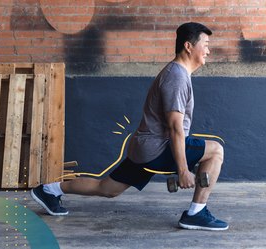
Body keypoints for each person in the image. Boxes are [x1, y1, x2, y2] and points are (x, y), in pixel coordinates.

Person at [31, 22, 228, 231]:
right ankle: (195, 213)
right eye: (205, 44)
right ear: (189, 46)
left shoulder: (177, 73)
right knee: (216, 150)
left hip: (144, 148)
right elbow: (175, 128)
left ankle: (49, 190)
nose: (208, 50)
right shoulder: (177, 77)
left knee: (107, 188)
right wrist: (182, 170)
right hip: (158, 148)